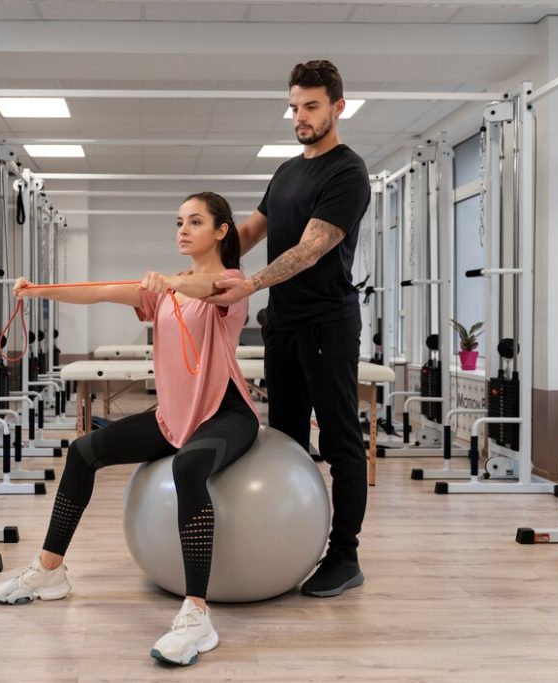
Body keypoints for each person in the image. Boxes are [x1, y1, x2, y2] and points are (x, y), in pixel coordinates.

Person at [0, 192, 260, 667]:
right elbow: (97, 291)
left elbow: (208, 289)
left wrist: (175, 284)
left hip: (226, 413)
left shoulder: (231, 283)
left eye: (195, 221)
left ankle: (197, 614)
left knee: (189, 466)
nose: (183, 229)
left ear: (221, 231)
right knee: (82, 451)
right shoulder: (163, 290)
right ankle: (50, 571)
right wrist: (39, 291)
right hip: (172, 417)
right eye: (178, 221)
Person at [208, 60, 372, 598]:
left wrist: (249, 285)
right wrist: (206, 261)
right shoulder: (285, 171)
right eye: (295, 107)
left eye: (311, 106)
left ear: (337, 107)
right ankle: (290, 540)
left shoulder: (347, 172)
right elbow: (256, 229)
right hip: (283, 324)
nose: (300, 117)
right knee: (287, 437)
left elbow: (312, 246)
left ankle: (343, 554)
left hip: (328, 322)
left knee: (342, 439)